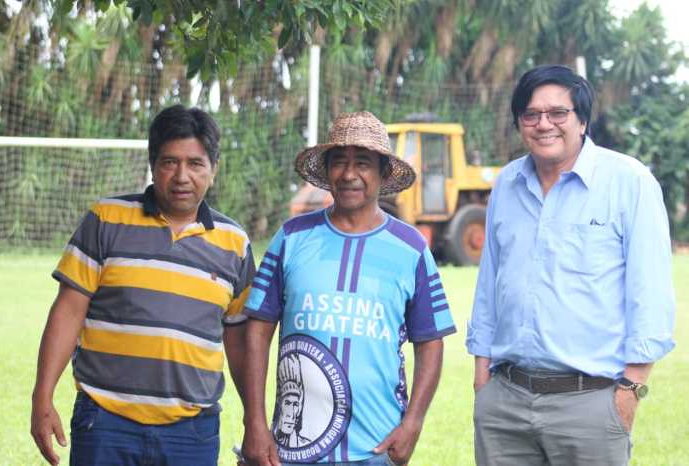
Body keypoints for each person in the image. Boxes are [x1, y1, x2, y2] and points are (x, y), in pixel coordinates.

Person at [467, 64, 676, 465]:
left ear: (582, 121)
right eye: (531, 114)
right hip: (505, 404)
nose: (544, 124)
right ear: (519, 123)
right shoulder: (507, 185)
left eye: (558, 113)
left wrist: (630, 391)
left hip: (591, 404)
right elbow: (490, 283)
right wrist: (482, 378)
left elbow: (650, 293)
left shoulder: (629, 182)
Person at [30, 104, 255, 466]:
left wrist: (254, 420)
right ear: (153, 165)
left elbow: (239, 341)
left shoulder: (235, 243)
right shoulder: (106, 219)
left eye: (195, 164)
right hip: (105, 423)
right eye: (170, 162)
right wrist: (42, 398)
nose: (182, 176)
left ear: (214, 169)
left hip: (192, 434)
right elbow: (68, 311)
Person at [241, 111, 456, 466]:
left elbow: (430, 340)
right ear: (327, 171)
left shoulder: (411, 248)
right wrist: (254, 421)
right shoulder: (292, 237)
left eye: (363, 163)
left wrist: (414, 422)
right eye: (339, 161)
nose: (349, 174)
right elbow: (258, 330)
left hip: (377, 448)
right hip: (295, 449)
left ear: (383, 173)